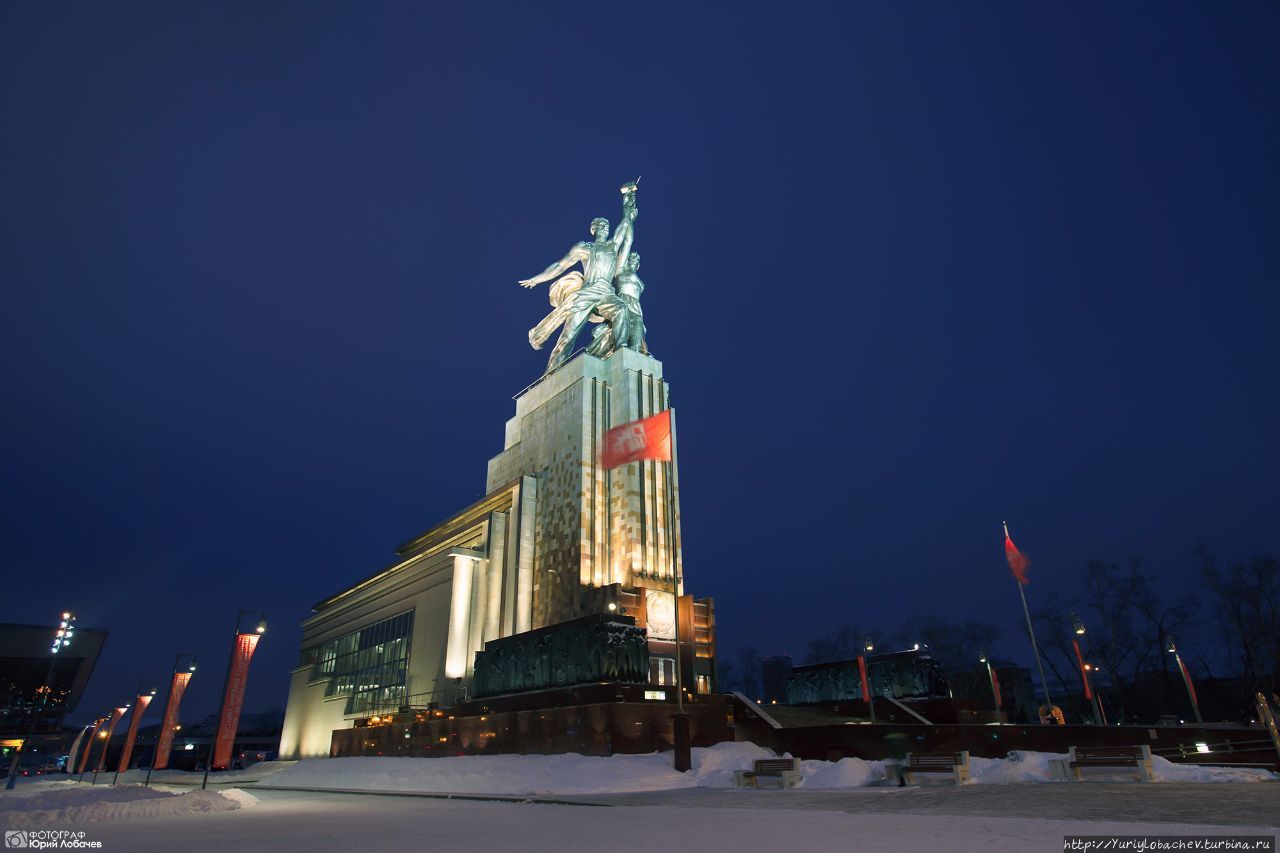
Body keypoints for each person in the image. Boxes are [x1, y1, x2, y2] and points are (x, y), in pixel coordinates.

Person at [519, 190, 636, 372]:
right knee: (569, 334)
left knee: (621, 310)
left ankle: (621, 348)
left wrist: (627, 204)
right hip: (587, 292)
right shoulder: (584, 247)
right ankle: (551, 372)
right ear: (593, 229)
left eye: (606, 225)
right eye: (600, 225)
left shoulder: (613, 246)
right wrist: (537, 279)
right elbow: (559, 265)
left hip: (606, 294)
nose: (605, 227)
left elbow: (625, 224)